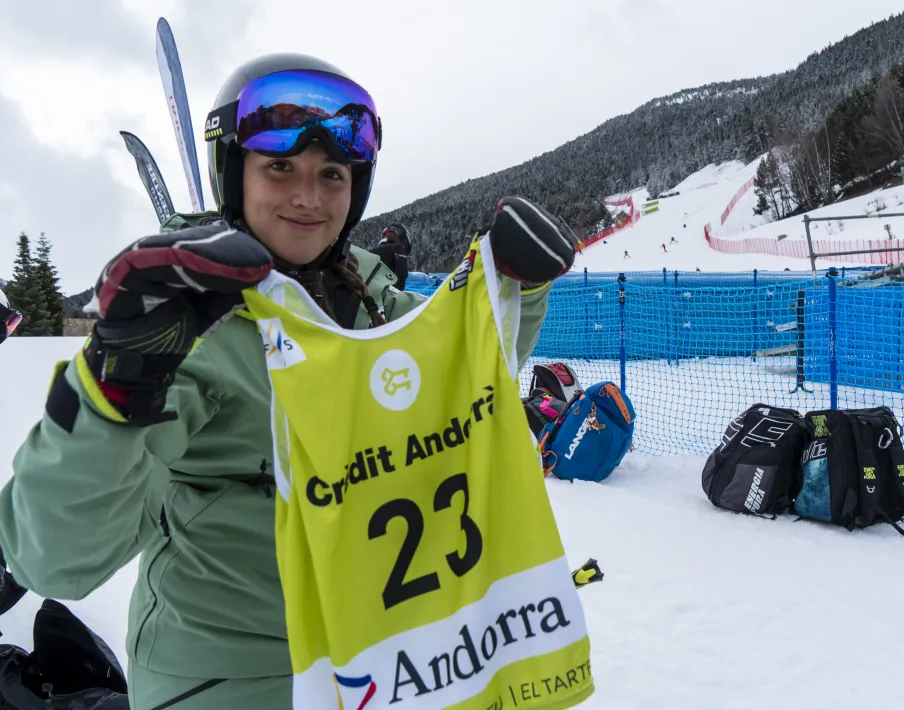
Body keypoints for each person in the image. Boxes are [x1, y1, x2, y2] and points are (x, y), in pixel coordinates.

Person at [0, 54, 575, 710]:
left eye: (332, 174)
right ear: (233, 174)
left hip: (403, 657)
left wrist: (515, 287)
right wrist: (117, 383)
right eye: (280, 167)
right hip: (237, 675)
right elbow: (57, 558)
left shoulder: (369, 295)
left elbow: (462, 390)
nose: (309, 197)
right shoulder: (185, 317)